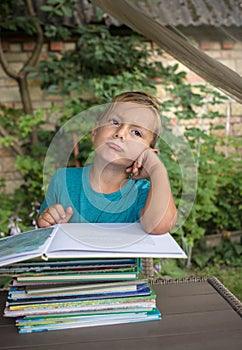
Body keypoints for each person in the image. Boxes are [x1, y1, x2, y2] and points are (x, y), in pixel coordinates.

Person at [37, 91, 177, 234]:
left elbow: (159, 226)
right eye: (114, 122)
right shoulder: (63, 180)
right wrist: (47, 221)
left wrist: (157, 169)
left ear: (148, 154)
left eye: (136, 132)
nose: (120, 133)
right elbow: (44, 228)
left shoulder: (144, 193)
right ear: (95, 132)